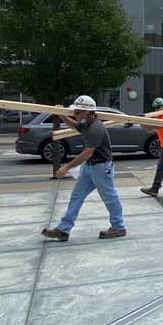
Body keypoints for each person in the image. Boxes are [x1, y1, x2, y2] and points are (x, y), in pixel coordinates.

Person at [41, 95, 127, 241]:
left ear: (88, 112)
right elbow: (74, 125)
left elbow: (87, 152)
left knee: (110, 198)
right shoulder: (86, 123)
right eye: (75, 112)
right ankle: (63, 229)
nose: (75, 114)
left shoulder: (95, 128)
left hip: (101, 167)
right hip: (89, 167)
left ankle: (118, 227)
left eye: (77, 112)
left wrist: (66, 167)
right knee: (76, 197)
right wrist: (62, 115)